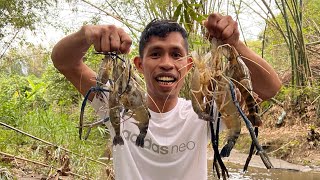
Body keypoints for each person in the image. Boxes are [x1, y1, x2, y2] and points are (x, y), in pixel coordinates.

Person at [51, 13, 281, 180]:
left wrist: (234, 44)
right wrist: (87, 35)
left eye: (176, 54)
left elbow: (269, 88)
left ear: (189, 64)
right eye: (156, 54)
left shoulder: (205, 111)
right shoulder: (118, 103)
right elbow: (65, 62)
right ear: (139, 65)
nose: (166, 64)